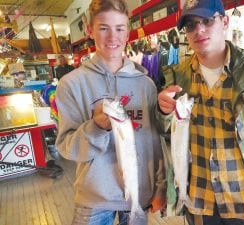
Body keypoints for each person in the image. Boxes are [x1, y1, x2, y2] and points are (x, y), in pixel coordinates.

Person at [156, 0, 244, 225]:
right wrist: (163, 112)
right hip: (200, 204)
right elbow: (169, 138)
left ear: (224, 21)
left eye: (207, 21)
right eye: (191, 25)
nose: (199, 30)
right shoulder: (177, 76)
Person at [55, 0, 166, 224]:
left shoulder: (146, 85)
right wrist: (96, 128)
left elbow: (155, 143)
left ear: (128, 33)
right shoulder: (71, 84)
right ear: (90, 31)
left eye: (119, 28)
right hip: (94, 199)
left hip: (138, 194)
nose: (112, 37)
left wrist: (160, 186)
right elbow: (67, 147)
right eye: (104, 28)